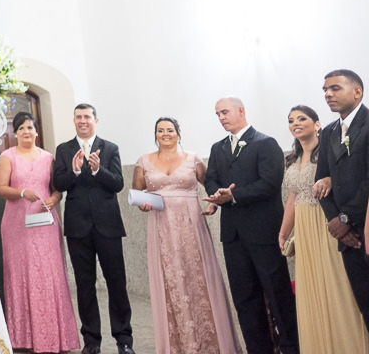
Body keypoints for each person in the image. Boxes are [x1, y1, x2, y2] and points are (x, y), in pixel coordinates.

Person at [132, 116, 241, 354]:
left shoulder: (193, 159)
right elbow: (136, 192)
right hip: (161, 225)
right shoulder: (144, 161)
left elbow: (210, 185)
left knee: (198, 276)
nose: (165, 134)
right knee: (169, 278)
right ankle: (179, 344)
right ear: (156, 135)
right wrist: (143, 204)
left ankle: (211, 342)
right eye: (160, 130)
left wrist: (213, 202)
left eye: (169, 130)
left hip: (192, 224)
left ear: (178, 133)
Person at [204, 97, 299, 354]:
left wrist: (233, 196)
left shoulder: (265, 143)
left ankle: (291, 347)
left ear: (241, 111)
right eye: (217, 114)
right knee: (244, 297)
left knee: (277, 294)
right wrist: (215, 194)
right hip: (233, 235)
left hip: (264, 231)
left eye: (224, 112)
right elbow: (210, 179)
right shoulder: (217, 148)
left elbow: (270, 183)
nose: (221, 117)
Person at [280, 104, 369, 352]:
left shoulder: (329, 149)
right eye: (291, 120)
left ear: (317, 124)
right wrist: (284, 231)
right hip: (305, 229)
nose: (295, 123)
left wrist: (341, 219)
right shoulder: (291, 158)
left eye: (302, 118)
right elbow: (292, 199)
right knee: (312, 292)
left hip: (326, 223)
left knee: (338, 287)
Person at [52, 103, 135, 354]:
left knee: (116, 283)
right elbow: (58, 182)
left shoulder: (110, 148)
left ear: (96, 120)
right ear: (74, 120)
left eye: (87, 117)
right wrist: (75, 171)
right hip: (78, 227)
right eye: (78, 117)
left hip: (107, 225)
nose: (82, 121)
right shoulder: (64, 149)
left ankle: (124, 339)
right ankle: (91, 341)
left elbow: (118, 183)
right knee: (85, 285)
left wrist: (99, 170)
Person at [0, 112, 77, 353]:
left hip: (44, 223)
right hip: (17, 224)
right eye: (21, 129)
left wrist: (53, 199)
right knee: (23, 275)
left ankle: (55, 336)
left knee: (50, 275)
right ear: (16, 133)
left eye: (30, 127)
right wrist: (21, 193)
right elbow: (0, 188)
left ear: (36, 131)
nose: (26, 132)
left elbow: (56, 189)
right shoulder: (7, 157)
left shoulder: (48, 157)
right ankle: (24, 337)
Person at [314, 69, 369, 331]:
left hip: (364, 221)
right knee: (366, 305)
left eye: (335, 88)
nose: (328, 94)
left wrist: (346, 218)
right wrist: (335, 222)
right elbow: (321, 181)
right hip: (347, 236)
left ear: (357, 92)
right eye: (325, 89)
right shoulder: (328, 132)